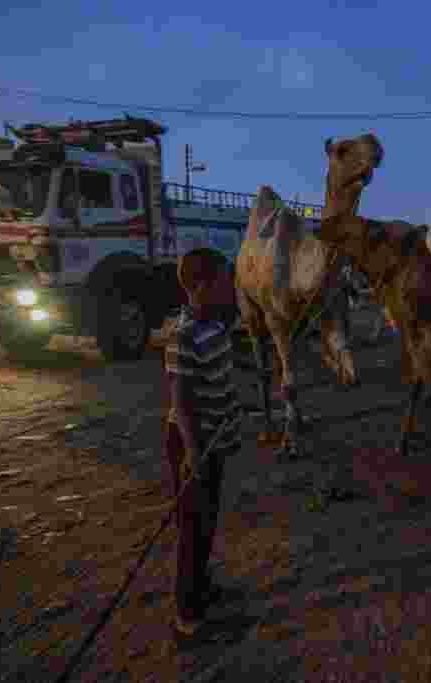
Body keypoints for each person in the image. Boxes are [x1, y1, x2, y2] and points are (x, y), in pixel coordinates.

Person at [162, 248, 243, 638]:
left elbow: (220, 368)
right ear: (202, 286)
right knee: (192, 528)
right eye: (226, 281)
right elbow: (181, 401)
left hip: (215, 444)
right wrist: (193, 454)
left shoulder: (215, 324)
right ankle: (187, 616)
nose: (232, 288)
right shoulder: (184, 335)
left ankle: (201, 587)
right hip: (193, 446)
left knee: (206, 521)